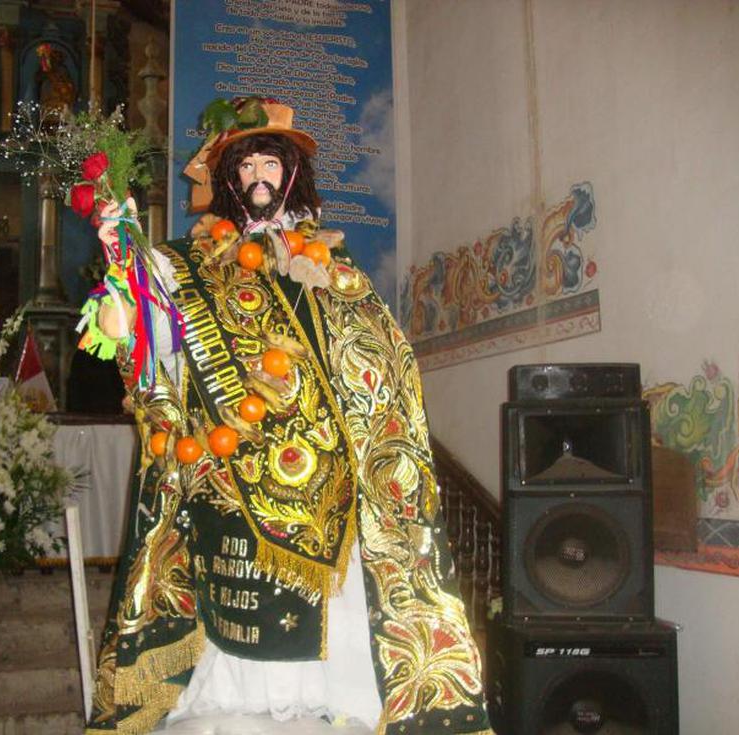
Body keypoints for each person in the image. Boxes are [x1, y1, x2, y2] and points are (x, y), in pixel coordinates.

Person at [85, 98, 491, 734]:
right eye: (244, 166)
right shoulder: (190, 265)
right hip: (232, 477)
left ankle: (346, 698)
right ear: (228, 182)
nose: (257, 176)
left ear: (292, 173)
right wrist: (122, 254)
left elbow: (381, 363)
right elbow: (145, 332)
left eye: (269, 162)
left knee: (343, 626)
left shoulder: (334, 268)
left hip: (330, 483)